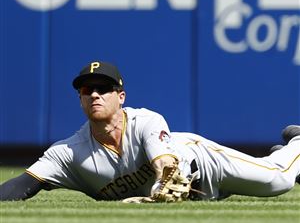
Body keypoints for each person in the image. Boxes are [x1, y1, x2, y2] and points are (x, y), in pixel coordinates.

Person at [1, 61, 299, 201]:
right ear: (79, 98)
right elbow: (23, 184)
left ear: (121, 97)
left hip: (205, 164)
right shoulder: (68, 154)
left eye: (104, 89)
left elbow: (165, 164)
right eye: (87, 89)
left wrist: (162, 183)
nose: (94, 95)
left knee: (279, 181)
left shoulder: (145, 121)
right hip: (188, 197)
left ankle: (295, 142)